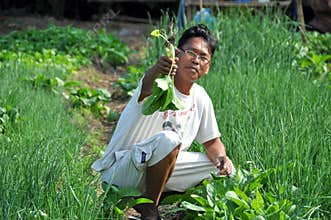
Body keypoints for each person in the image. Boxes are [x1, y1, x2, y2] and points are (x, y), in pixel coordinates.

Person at [92, 24, 235, 220]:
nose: (195, 60)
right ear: (177, 53)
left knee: (222, 170)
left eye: (203, 57)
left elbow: (212, 142)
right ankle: (149, 210)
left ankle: (161, 203)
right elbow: (146, 87)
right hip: (122, 171)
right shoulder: (159, 82)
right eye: (191, 53)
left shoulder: (200, 97)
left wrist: (222, 158)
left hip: (157, 173)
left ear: (207, 67)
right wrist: (158, 69)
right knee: (170, 140)